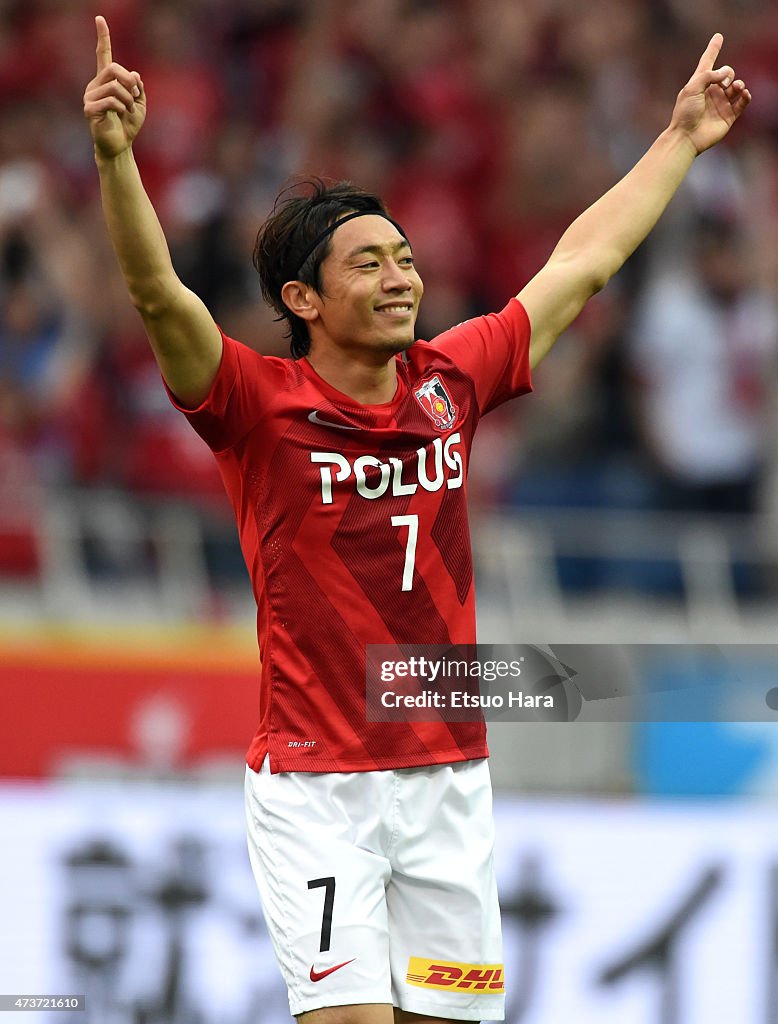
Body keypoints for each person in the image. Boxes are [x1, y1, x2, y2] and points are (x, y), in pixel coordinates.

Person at [83, 14, 750, 1024]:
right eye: (370, 264)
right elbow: (154, 291)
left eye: (403, 257)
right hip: (316, 791)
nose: (401, 277)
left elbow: (582, 263)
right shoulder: (253, 404)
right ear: (303, 297)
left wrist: (680, 137)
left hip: (445, 780)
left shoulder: (451, 380)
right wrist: (115, 158)